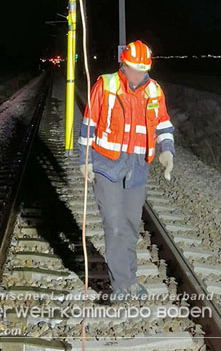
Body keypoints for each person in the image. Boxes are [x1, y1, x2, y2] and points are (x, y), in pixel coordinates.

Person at [78, 40, 175, 298]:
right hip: (108, 165)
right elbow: (89, 123)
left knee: (131, 225)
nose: (137, 75)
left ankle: (130, 279)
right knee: (115, 225)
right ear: (123, 63)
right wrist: (85, 159)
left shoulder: (154, 91)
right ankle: (121, 284)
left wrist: (167, 151)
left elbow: (163, 125)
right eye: (133, 68)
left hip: (137, 168)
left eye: (142, 70)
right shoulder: (106, 86)